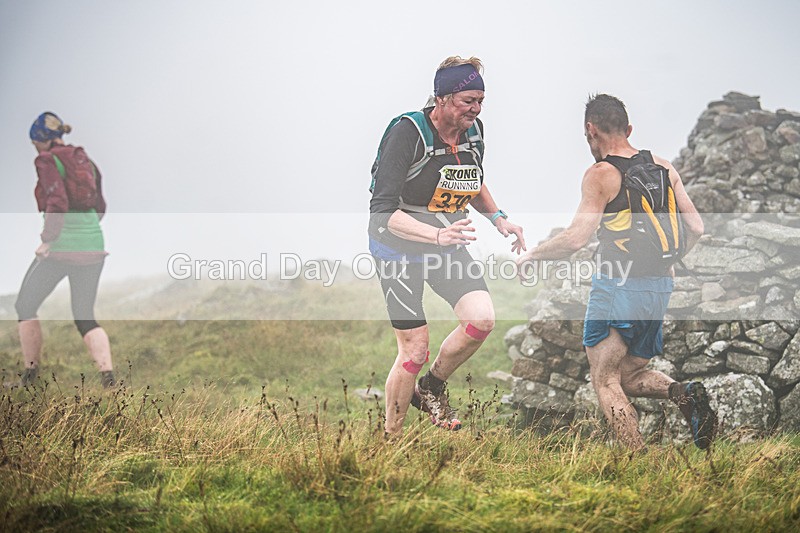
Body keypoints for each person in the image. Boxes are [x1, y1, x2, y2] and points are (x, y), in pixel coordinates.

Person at [516, 94, 717, 451]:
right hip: (658, 287)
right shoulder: (664, 167)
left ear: (590, 131)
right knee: (630, 374)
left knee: (606, 380)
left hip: (617, 287)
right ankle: (683, 393)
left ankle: (635, 462)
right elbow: (697, 228)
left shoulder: (601, 174)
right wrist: (670, 261)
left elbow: (577, 238)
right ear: (628, 129)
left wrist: (533, 256)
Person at [369, 56, 526, 435]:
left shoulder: (474, 132)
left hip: (445, 242)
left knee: (481, 319)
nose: (475, 109)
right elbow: (381, 212)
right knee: (414, 350)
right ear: (441, 98)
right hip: (398, 248)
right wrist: (435, 234)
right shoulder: (408, 132)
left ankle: (432, 386)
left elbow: (470, 181)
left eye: (480, 101)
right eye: (467, 100)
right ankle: (391, 441)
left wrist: (498, 217)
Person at [5, 112, 115, 389]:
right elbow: (100, 205)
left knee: (25, 305)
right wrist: (85, 232)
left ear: (40, 140)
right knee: (84, 314)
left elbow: (57, 201)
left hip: (60, 249)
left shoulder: (46, 160)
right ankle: (110, 382)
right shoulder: (85, 160)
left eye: (34, 143)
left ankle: (29, 379)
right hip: (93, 246)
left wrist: (49, 239)